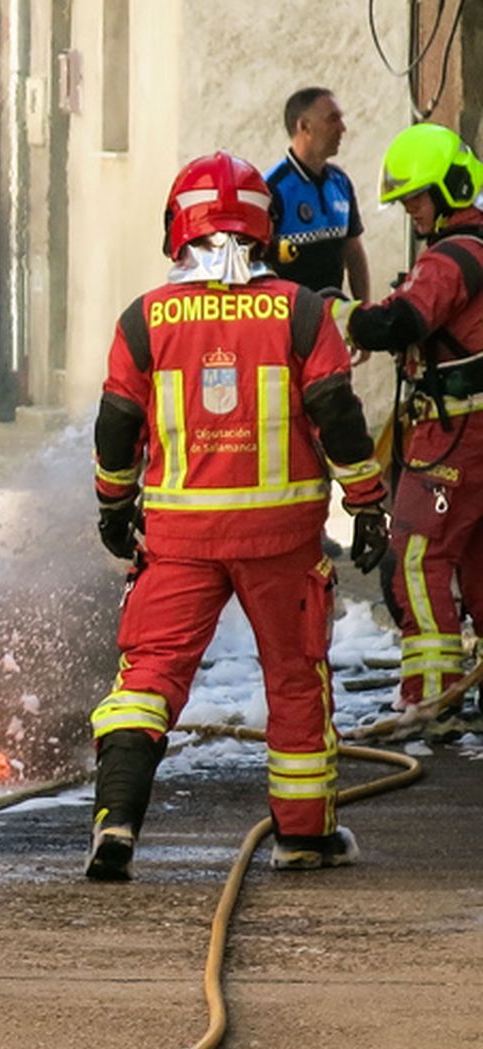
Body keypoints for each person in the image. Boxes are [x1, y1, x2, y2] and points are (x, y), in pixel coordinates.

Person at [87, 151, 389, 882]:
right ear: (266, 228)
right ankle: (303, 838)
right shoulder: (301, 310)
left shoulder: (145, 319)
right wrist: (367, 501)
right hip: (281, 540)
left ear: (177, 225)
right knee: (294, 678)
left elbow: (116, 423)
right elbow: (335, 413)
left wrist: (113, 504)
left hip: (179, 540)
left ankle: (117, 821)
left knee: (148, 679)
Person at [327, 123, 483, 731]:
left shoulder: (452, 257)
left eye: (417, 198)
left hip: (456, 435)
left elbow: (398, 323)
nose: (411, 211)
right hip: (465, 429)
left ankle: (433, 696)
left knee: (417, 555)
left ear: (450, 189)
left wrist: (335, 311)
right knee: (473, 558)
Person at [266, 87, 371, 303]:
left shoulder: (340, 182)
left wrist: (365, 309)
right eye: (333, 119)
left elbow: (354, 253)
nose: (342, 128)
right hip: (289, 324)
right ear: (304, 126)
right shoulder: (272, 188)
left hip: (330, 320)